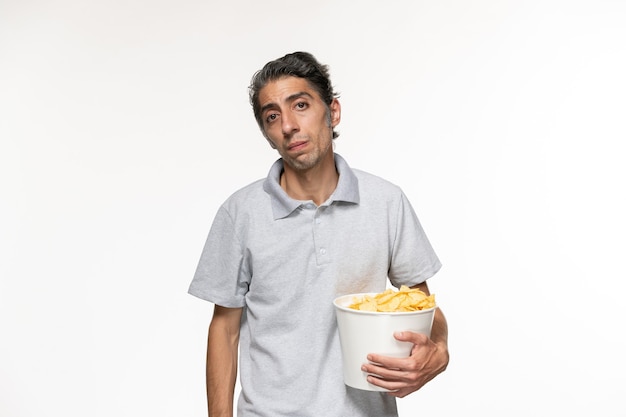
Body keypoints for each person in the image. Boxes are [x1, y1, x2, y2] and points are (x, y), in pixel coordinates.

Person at [188, 51, 449, 417]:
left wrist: (438, 350)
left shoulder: (386, 202)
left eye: (301, 105)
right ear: (267, 134)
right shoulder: (240, 213)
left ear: (333, 112)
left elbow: (423, 305)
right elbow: (225, 329)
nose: (289, 125)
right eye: (272, 116)